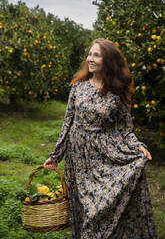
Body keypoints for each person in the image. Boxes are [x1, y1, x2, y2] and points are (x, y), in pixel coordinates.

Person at [43, 38, 157, 239]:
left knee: (100, 208)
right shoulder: (78, 87)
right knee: (84, 207)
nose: (90, 58)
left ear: (108, 61)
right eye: (90, 54)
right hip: (78, 156)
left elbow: (125, 127)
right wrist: (56, 155)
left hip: (105, 153)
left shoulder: (117, 92)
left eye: (96, 55)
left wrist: (137, 146)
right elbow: (67, 123)